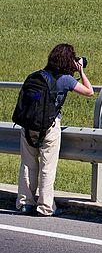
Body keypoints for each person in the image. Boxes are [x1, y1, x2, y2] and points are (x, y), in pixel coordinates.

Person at [16, 43, 94, 217]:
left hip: (28, 126)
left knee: (27, 164)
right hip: (49, 127)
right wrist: (81, 71)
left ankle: (24, 203)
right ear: (69, 61)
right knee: (47, 167)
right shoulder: (66, 79)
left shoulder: (36, 75)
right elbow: (89, 92)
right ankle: (45, 207)